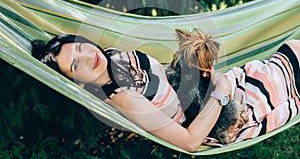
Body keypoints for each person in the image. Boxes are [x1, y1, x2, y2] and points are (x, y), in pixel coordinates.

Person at [31, 30, 300, 152]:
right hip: (221, 117)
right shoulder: (122, 98)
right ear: (77, 81)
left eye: (79, 47)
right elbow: (190, 142)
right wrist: (220, 91)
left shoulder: (114, 58)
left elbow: (165, 83)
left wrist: (199, 70)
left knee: (294, 47)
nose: (88, 56)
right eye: (76, 64)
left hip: (212, 91)